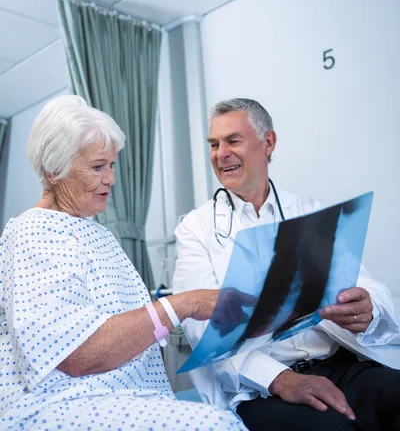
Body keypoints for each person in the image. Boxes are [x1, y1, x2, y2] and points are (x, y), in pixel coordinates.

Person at [0, 95, 247, 431]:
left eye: (112, 165)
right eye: (98, 166)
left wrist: (173, 312)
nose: (111, 179)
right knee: (220, 426)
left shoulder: (96, 234)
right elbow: (77, 355)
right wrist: (182, 304)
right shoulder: (35, 232)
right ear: (54, 169)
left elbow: (130, 332)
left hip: (124, 396)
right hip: (59, 404)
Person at [173, 98, 400, 431]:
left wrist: (368, 310)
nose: (220, 153)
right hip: (261, 387)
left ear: (268, 143)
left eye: (233, 141)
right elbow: (203, 331)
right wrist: (280, 380)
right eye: (214, 144)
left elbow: (364, 285)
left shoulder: (309, 212)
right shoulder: (196, 229)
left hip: (341, 364)